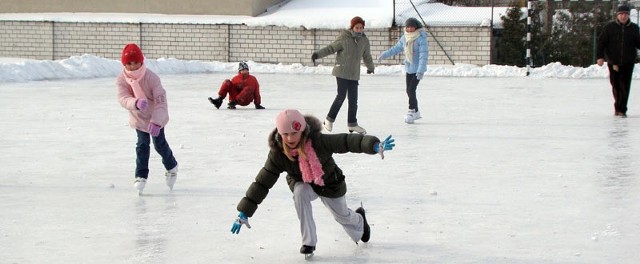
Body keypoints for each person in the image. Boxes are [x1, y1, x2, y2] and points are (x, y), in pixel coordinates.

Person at [230, 109, 395, 257]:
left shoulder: (319, 142)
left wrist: (373, 145)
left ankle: (360, 221)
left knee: (342, 216)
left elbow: (347, 141)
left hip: (329, 183)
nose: (290, 138)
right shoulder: (278, 153)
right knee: (299, 192)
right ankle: (308, 242)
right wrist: (244, 212)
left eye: (294, 133)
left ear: (302, 130)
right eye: (285, 134)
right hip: (303, 183)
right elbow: (262, 183)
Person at [116, 43, 179, 195]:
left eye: (136, 62)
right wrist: (135, 103)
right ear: (125, 64)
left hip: (156, 116)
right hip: (138, 118)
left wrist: (157, 121)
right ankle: (140, 175)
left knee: (159, 144)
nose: (133, 66)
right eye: (129, 63)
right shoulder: (121, 79)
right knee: (142, 145)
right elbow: (123, 98)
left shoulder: (152, 78)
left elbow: (161, 101)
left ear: (141, 61)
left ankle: (172, 166)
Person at [311, 16, 375, 134]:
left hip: (354, 74)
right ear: (352, 27)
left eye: (361, 27)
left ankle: (352, 124)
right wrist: (317, 54)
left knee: (353, 100)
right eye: (357, 27)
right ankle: (328, 120)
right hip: (341, 72)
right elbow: (331, 48)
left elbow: (367, 56)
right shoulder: (344, 38)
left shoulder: (364, 41)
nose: (359, 29)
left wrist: (371, 67)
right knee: (341, 96)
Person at [378, 17, 429, 124]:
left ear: (416, 27)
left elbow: (423, 55)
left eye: (412, 27)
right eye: (408, 27)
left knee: (411, 90)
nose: (410, 29)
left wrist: (421, 70)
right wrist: (384, 54)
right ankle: (416, 111)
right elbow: (396, 48)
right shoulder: (405, 38)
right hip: (409, 68)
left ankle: (412, 111)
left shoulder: (421, 38)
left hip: (417, 69)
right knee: (409, 90)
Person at [597, 4, 640, 118]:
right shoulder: (609, 27)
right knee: (616, 86)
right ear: (617, 15)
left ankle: (622, 110)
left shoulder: (634, 28)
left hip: (628, 61)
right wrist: (600, 57)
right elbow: (601, 43)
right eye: (621, 14)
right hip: (613, 61)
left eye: (626, 14)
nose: (623, 16)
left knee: (625, 86)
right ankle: (618, 107)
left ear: (628, 15)